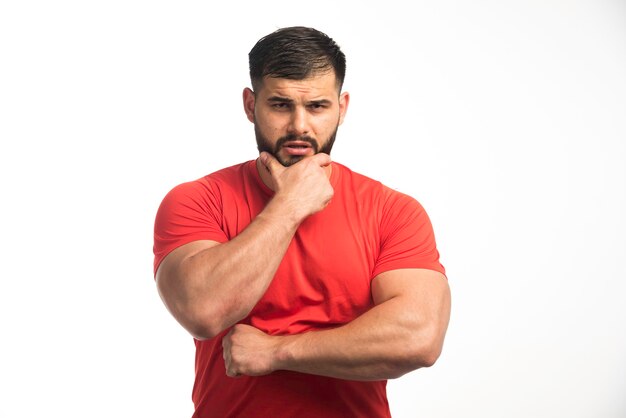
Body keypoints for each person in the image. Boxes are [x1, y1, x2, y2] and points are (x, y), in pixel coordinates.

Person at [153, 26, 451, 418]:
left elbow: (418, 338)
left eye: (317, 107)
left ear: (342, 108)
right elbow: (203, 311)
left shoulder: (392, 211)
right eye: (279, 105)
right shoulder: (197, 200)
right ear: (250, 104)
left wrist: (277, 352)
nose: (299, 126)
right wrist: (290, 204)